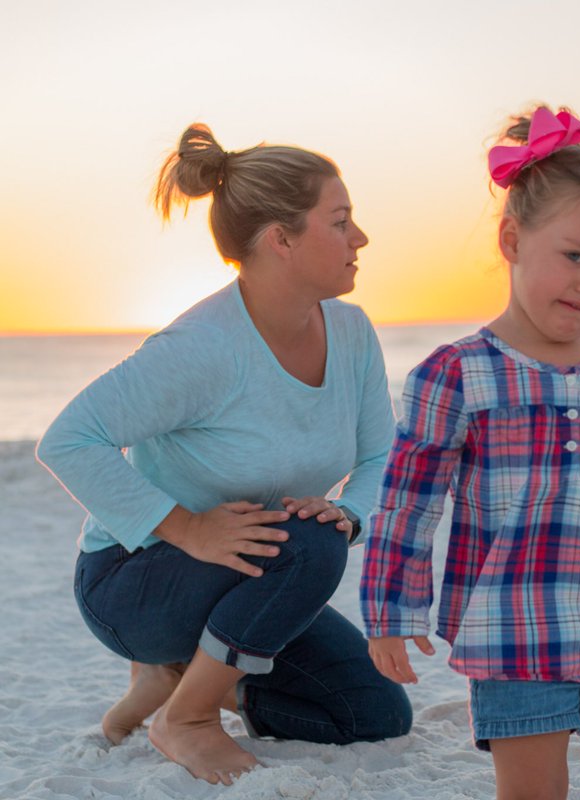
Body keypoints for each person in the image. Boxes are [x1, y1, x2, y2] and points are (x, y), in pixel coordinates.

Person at [360, 106, 580, 800]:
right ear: (512, 240)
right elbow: (409, 501)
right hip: (511, 634)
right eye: (575, 256)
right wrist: (392, 615)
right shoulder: (457, 374)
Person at [36, 124, 412, 785]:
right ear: (281, 240)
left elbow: (384, 455)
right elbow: (70, 439)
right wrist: (187, 528)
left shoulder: (351, 333)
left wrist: (350, 514)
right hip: (135, 582)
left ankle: (187, 681)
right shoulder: (203, 349)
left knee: (373, 713)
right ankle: (187, 718)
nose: (361, 239)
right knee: (307, 544)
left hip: (256, 578)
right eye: (341, 221)